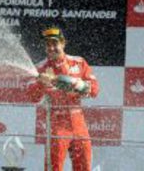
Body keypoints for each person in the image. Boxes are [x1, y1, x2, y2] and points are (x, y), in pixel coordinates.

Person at [27, 27, 99, 171]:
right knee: (54, 168)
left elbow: (95, 90)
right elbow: (31, 97)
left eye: (55, 43)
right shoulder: (39, 68)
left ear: (63, 43)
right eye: (48, 44)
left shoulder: (78, 62)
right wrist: (40, 83)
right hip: (57, 125)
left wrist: (80, 85)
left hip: (79, 124)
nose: (51, 48)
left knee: (84, 167)